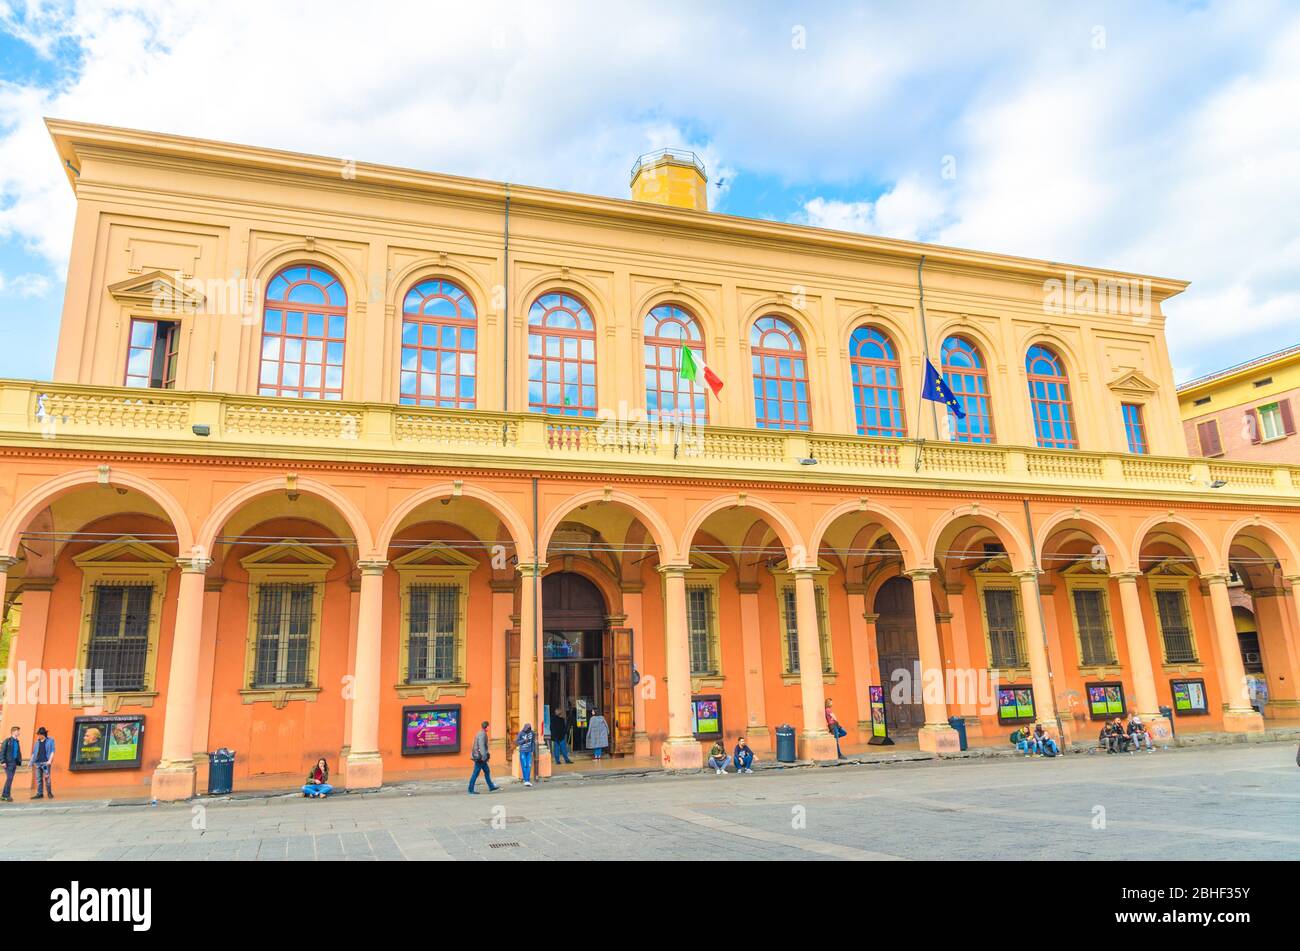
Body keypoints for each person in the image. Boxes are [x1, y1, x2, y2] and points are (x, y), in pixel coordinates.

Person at [468, 720, 499, 794]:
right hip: (480, 758)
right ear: (486, 726)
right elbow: (482, 746)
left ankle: (491, 786)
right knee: (475, 773)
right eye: (489, 726)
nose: (489, 727)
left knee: (487, 771)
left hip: (480, 756)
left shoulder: (480, 732)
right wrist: (484, 757)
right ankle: (470, 789)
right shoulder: (482, 734)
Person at [30, 727, 53, 800]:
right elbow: (34, 753)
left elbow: (53, 751)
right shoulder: (37, 742)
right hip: (37, 763)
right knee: (39, 779)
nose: (38, 736)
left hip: (45, 763)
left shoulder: (50, 741)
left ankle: (49, 792)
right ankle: (40, 794)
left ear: (43, 734)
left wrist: (50, 760)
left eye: (39, 734)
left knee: (47, 778)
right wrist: (31, 762)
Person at [1, 726, 21, 802]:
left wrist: (18, 761)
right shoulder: (7, 740)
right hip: (8, 763)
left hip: (14, 763)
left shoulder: (17, 741)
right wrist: (3, 761)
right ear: (13, 732)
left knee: (10, 779)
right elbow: (2, 751)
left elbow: (17, 752)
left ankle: (4, 795)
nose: (19, 732)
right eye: (18, 731)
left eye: (19, 731)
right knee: (9, 778)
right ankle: (6, 795)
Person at [515, 722, 536, 787]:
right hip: (522, 752)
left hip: (529, 752)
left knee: (529, 765)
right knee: (524, 765)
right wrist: (524, 741)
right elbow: (516, 742)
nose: (526, 731)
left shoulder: (532, 733)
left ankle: (527, 780)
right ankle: (526, 780)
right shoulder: (521, 733)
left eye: (528, 730)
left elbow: (533, 742)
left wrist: (532, 750)